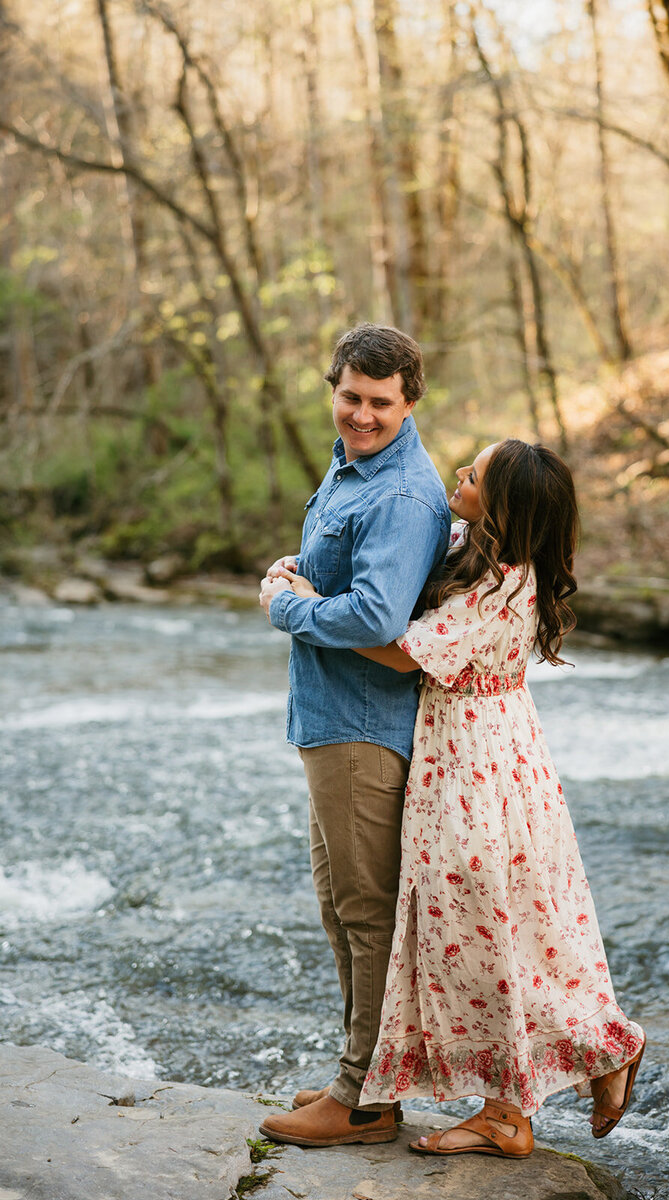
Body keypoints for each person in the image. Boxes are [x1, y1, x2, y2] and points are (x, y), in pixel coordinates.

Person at [280, 438, 645, 1157]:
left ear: (501, 508)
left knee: (486, 927)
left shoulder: (505, 584)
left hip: (477, 768)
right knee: (493, 929)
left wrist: (301, 604)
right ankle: (586, 1056)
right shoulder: (469, 545)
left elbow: (397, 647)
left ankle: (513, 1109)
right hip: (481, 755)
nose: (458, 475)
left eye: (473, 475)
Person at [257, 323, 451, 1149]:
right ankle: (358, 1072)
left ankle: (366, 1100)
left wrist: (286, 606)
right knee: (341, 909)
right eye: (350, 397)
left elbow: (378, 616)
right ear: (331, 386)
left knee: (365, 911)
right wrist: (295, 573)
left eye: (380, 403)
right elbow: (346, 577)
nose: (362, 415)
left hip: (365, 730)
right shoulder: (353, 468)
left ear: (409, 403)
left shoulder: (403, 496)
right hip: (328, 720)